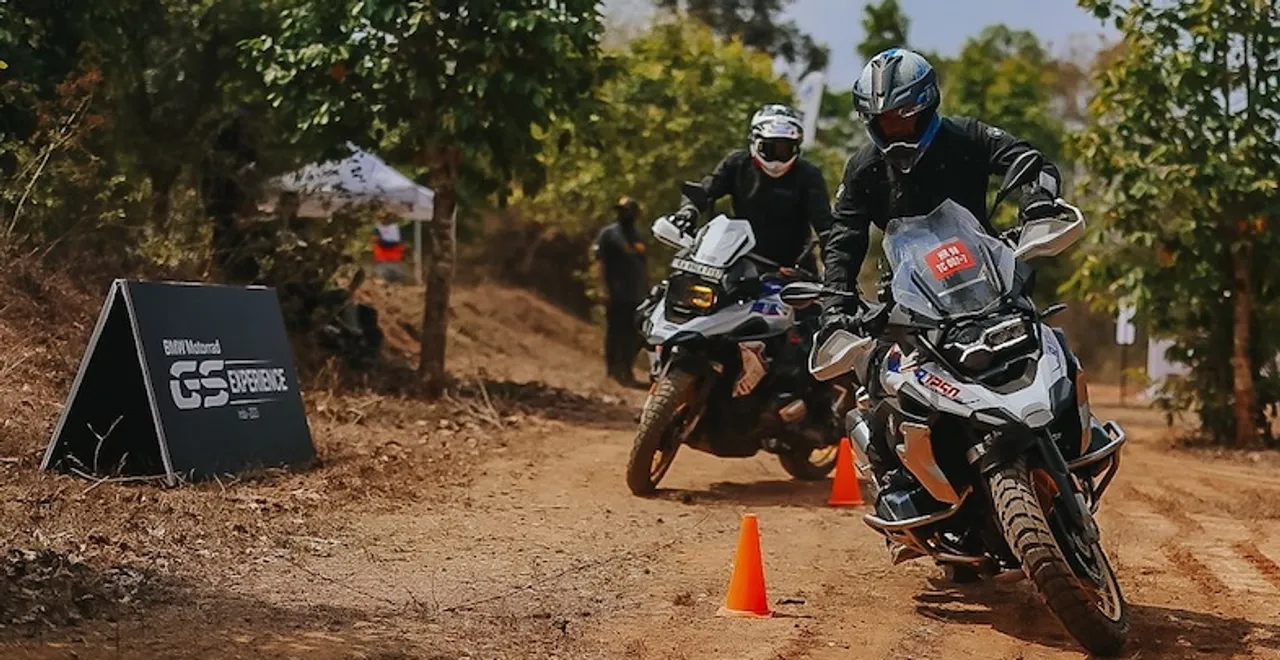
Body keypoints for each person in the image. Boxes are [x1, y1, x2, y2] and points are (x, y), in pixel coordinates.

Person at [819, 48, 1066, 538]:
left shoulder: (968, 137)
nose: (893, 128)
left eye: (901, 118)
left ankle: (1072, 432)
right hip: (912, 299)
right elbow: (843, 239)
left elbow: (1029, 161)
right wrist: (835, 306)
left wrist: (1038, 201)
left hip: (988, 283)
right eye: (881, 120)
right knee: (874, 383)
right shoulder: (863, 167)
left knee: (1050, 340)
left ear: (927, 106)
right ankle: (902, 491)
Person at [670, 104, 832, 272]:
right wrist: (687, 212)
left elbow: (825, 225)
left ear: (796, 147)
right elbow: (705, 190)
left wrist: (834, 263)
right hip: (734, 263)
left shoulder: (808, 175)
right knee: (677, 280)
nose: (777, 157)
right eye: (769, 148)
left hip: (791, 271)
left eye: (785, 149)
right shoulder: (736, 164)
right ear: (755, 141)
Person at [593, 196, 649, 388]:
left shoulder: (638, 237)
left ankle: (626, 368)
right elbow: (600, 262)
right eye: (621, 210)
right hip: (616, 293)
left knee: (634, 335)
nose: (624, 214)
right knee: (615, 332)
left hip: (636, 295)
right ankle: (612, 370)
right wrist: (603, 289)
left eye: (627, 210)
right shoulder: (608, 234)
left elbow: (642, 266)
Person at [372, 210, 407, 282]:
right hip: (388, 243)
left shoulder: (394, 259)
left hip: (389, 244)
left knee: (390, 227)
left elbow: (400, 249)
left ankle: (388, 213)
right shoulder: (384, 260)